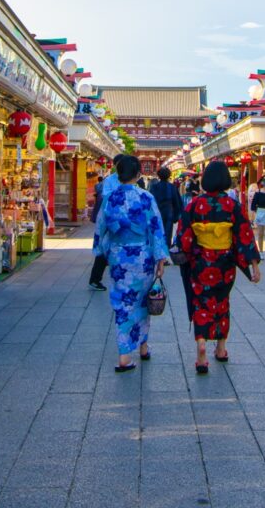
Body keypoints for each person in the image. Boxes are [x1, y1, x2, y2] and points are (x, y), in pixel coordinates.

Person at [178, 160, 261, 375]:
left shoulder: (194, 204)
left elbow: (184, 236)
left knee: (201, 302)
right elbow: (244, 235)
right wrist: (253, 265)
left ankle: (202, 347)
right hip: (224, 264)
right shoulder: (233, 205)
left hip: (201, 263)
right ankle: (222, 348)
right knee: (222, 302)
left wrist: (187, 253)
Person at [94, 155, 169, 372]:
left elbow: (100, 229)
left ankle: (125, 354)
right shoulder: (146, 197)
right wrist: (160, 258)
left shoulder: (109, 198)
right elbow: (156, 228)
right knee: (143, 302)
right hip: (143, 257)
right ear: (138, 174)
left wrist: (104, 250)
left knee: (123, 304)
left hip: (119, 256)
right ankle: (143, 347)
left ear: (118, 174)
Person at [88, 154, 125, 291]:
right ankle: (95, 279)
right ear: (115, 165)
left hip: (126, 220)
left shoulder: (130, 180)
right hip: (111, 219)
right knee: (105, 247)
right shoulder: (110, 180)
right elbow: (106, 197)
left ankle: (121, 279)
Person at [148, 167, 183, 247]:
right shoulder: (172, 187)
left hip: (156, 212)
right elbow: (177, 202)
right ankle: (166, 252)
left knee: (157, 232)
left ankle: (157, 251)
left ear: (159, 175)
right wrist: (176, 216)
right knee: (167, 233)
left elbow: (150, 202)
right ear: (169, 175)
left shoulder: (154, 187)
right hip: (169, 212)